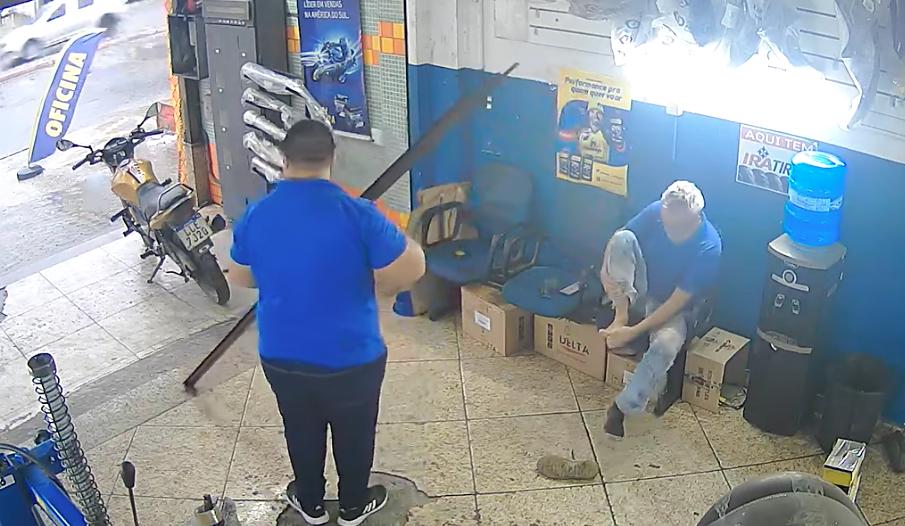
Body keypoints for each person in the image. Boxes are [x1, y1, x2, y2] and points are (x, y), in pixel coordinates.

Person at [227, 120, 426, 525]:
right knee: (355, 431)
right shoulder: (357, 213)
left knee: (299, 427)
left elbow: (241, 276)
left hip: (282, 353)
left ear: (284, 159)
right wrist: (379, 283)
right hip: (352, 356)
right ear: (332, 159)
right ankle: (353, 505)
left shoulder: (257, 213)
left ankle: (311, 503)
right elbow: (412, 268)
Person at [599, 181, 721, 439]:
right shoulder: (656, 211)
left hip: (673, 307)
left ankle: (622, 408)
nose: (669, 229)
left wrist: (633, 333)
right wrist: (608, 275)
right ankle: (619, 317)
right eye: (666, 222)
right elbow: (619, 241)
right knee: (621, 239)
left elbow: (676, 302)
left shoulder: (709, 246)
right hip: (642, 288)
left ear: (695, 217)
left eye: (676, 227)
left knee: (666, 346)